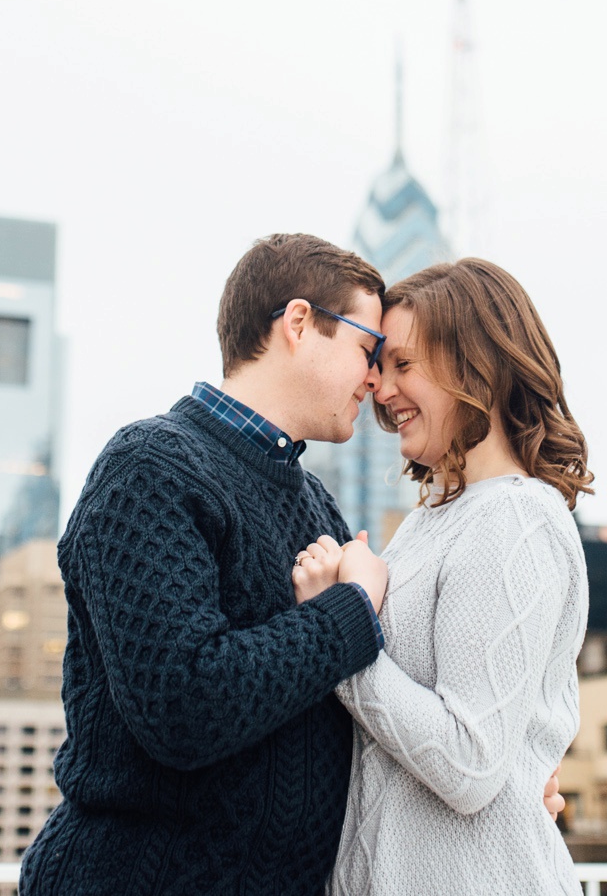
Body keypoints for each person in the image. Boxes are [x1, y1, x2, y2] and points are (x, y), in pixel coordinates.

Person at [19, 232, 394, 896]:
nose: (377, 377)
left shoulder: (318, 505)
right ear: (300, 323)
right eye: (370, 348)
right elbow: (184, 703)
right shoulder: (150, 467)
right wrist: (350, 610)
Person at [292, 258, 592, 896]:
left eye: (403, 364)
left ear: (475, 366)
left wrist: (340, 626)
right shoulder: (435, 520)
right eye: (380, 366)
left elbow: (468, 761)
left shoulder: (514, 519)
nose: (380, 387)